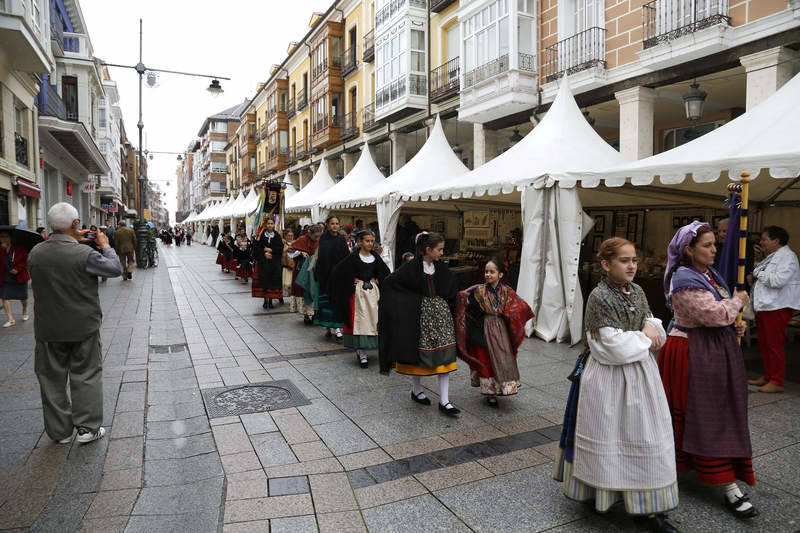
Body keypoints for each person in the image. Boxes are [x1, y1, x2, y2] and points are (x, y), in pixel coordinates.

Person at [553, 238, 678, 533]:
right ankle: (601, 491)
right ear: (606, 265)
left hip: (641, 375)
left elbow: (653, 324)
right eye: (624, 260)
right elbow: (610, 347)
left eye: (634, 259)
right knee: (610, 434)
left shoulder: (637, 290)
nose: (632, 265)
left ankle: (646, 506)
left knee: (643, 435)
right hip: (609, 377)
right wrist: (646, 337)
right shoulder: (599, 297)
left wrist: (649, 330)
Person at [658, 221, 757, 519]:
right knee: (707, 416)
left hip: (711, 351)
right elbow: (711, 313)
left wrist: (735, 322)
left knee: (718, 412)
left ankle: (706, 470)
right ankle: (725, 484)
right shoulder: (683, 277)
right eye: (707, 245)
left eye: (715, 244)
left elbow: (719, 314)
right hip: (692, 353)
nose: (715, 250)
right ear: (688, 250)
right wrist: (735, 303)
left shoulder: (708, 274)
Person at [28, 202, 123, 445]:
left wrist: (70, 239)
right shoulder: (85, 254)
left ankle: (59, 432)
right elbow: (114, 269)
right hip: (83, 326)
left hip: (48, 328)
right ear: (74, 224)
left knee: (51, 380)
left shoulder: (36, 253)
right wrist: (105, 246)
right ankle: (87, 428)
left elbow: (57, 259)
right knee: (86, 375)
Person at [379, 232, 461, 417]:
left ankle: (445, 400)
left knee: (445, 356)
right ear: (428, 249)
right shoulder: (411, 268)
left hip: (441, 320)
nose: (442, 252)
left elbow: (451, 288)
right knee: (418, 354)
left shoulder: (442, 269)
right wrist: (409, 303)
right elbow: (391, 283)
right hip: (420, 318)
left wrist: (446, 302)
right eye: (439, 249)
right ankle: (416, 390)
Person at [455, 258, 534, 407]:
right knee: (485, 360)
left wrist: (510, 313)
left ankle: (503, 387)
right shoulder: (478, 291)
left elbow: (520, 305)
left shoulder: (507, 291)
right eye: (486, 272)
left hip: (501, 330)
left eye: (492, 272)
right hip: (483, 330)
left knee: (503, 359)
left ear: (500, 275)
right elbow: (469, 308)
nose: (488, 275)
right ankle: (490, 393)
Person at [747, 226, 800, 393]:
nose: (761, 242)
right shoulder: (773, 256)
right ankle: (768, 376)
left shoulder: (788, 257)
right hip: (767, 307)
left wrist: (757, 273)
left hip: (777, 307)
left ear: (776, 240)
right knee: (765, 344)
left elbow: (777, 281)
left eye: (764, 239)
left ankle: (777, 381)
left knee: (774, 346)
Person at [331, 229, 391, 368]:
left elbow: (385, 272)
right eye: (367, 241)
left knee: (373, 321)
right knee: (360, 322)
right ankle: (361, 352)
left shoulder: (375, 256)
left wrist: (377, 279)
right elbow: (337, 272)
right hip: (357, 296)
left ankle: (371, 347)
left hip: (373, 295)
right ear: (359, 241)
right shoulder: (353, 257)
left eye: (371, 241)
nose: (370, 244)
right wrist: (351, 280)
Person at [314, 216, 350, 340]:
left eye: (337, 223)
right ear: (328, 225)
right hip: (326, 276)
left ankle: (337, 328)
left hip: (338, 276)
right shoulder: (323, 238)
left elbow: (346, 257)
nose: (335, 226)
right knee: (327, 302)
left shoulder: (341, 239)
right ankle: (329, 327)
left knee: (337, 302)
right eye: (332, 223)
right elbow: (322, 258)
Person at [291, 224, 321, 324]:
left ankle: (313, 313)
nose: (317, 238)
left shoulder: (319, 240)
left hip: (315, 269)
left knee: (314, 290)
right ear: (309, 233)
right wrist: (300, 252)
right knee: (304, 290)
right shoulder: (302, 239)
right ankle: (306, 314)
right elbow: (289, 250)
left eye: (319, 236)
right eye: (315, 236)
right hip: (302, 270)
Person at [0, 230, 30, 328]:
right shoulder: (1, 249)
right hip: (5, 277)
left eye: (5, 236)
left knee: (23, 298)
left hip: (19, 276)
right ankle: (10, 319)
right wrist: (3, 251)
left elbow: (25, 260)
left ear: (10, 237)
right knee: (4, 297)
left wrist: (18, 268)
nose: (3, 239)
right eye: (1, 237)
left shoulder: (20, 247)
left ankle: (25, 310)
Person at [252, 218, 284, 309]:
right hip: (263, 263)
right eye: (268, 223)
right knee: (264, 282)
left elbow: (280, 248)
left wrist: (272, 250)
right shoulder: (261, 235)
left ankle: (270, 301)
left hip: (274, 263)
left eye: (272, 223)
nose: (270, 225)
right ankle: (265, 301)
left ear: (274, 225)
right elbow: (256, 248)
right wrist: (264, 252)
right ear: (265, 225)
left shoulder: (277, 235)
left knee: (272, 282)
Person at [282, 230, 297, 300]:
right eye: (288, 235)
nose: (290, 237)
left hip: (294, 266)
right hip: (285, 266)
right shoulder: (283, 244)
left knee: (293, 284)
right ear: (285, 236)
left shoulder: (296, 244)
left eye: (291, 236)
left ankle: (293, 298)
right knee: (286, 283)